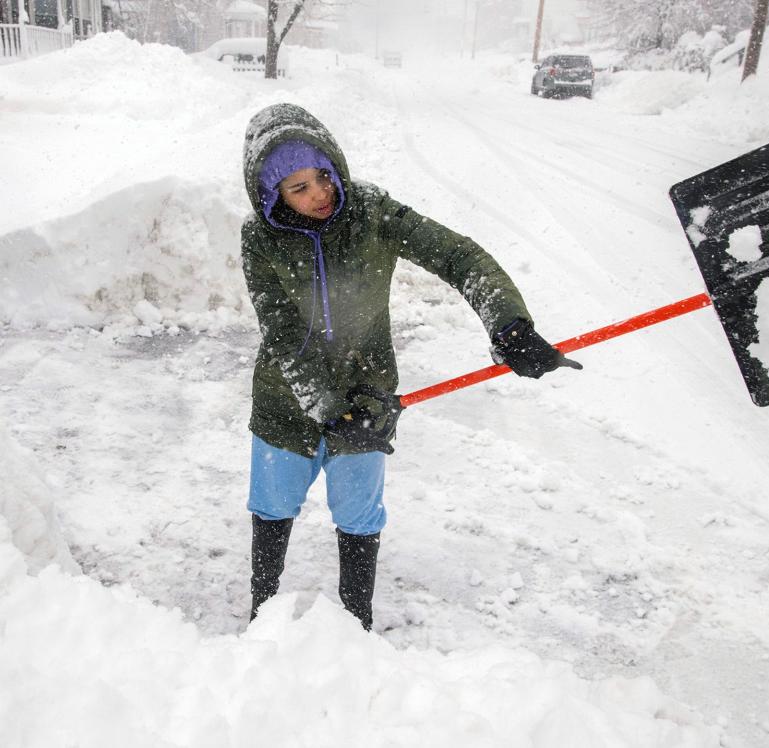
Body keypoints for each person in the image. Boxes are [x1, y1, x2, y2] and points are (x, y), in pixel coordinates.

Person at [240, 103, 581, 630]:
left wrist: (508, 323)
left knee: (358, 518)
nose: (320, 195)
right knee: (273, 508)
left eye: (322, 177)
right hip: (286, 401)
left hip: (366, 401)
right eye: (298, 188)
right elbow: (283, 332)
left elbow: (458, 256)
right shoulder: (259, 238)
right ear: (273, 196)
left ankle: (356, 628)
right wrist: (327, 408)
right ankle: (260, 617)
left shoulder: (371, 211)